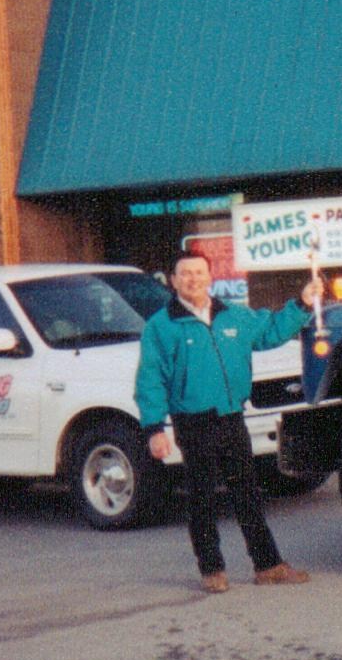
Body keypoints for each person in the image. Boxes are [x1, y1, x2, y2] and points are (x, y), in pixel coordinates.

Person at [136, 253, 323, 593]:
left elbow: (270, 332)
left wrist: (303, 303)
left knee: (247, 494)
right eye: (185, 274)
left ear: (210, 278)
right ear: (173, 281)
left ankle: (268, 566)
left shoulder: (234, 315)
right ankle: (211, 569)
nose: (193, 279)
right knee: (203, 498)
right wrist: (154, 428)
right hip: (193, 421)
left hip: (231, 417)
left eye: (199, 272)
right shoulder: (161, 326)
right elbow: (151, 379)